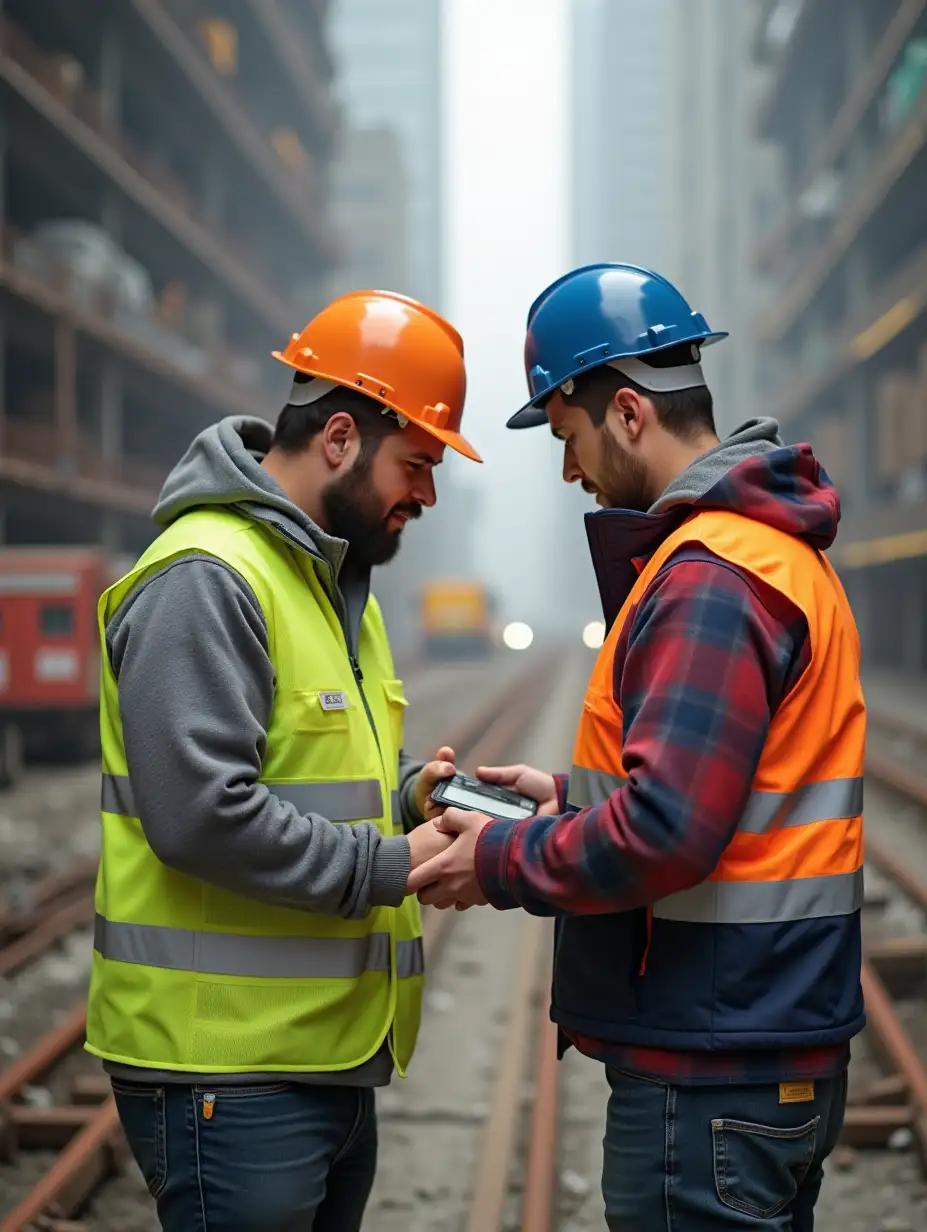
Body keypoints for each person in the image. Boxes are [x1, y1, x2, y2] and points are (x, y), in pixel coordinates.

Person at [408, 263, 864, 1231]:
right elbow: (730, 791)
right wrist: (570, 797)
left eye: (566, 436)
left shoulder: (708, 574)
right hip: (763, 1036)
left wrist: (497, 856)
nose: (569, 469)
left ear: (623, 412)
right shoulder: (772, 550)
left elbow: (664, 832)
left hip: (710, 1066)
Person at [86, 289, 482, 1231]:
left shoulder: (339, 588)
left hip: (323, 1060)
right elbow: (202, 814)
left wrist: (408, 798)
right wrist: (389, 864)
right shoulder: (207, 577)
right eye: (418, 463)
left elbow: (297, 773)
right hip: (222, 1074)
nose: (427, 494)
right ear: (339, 438)